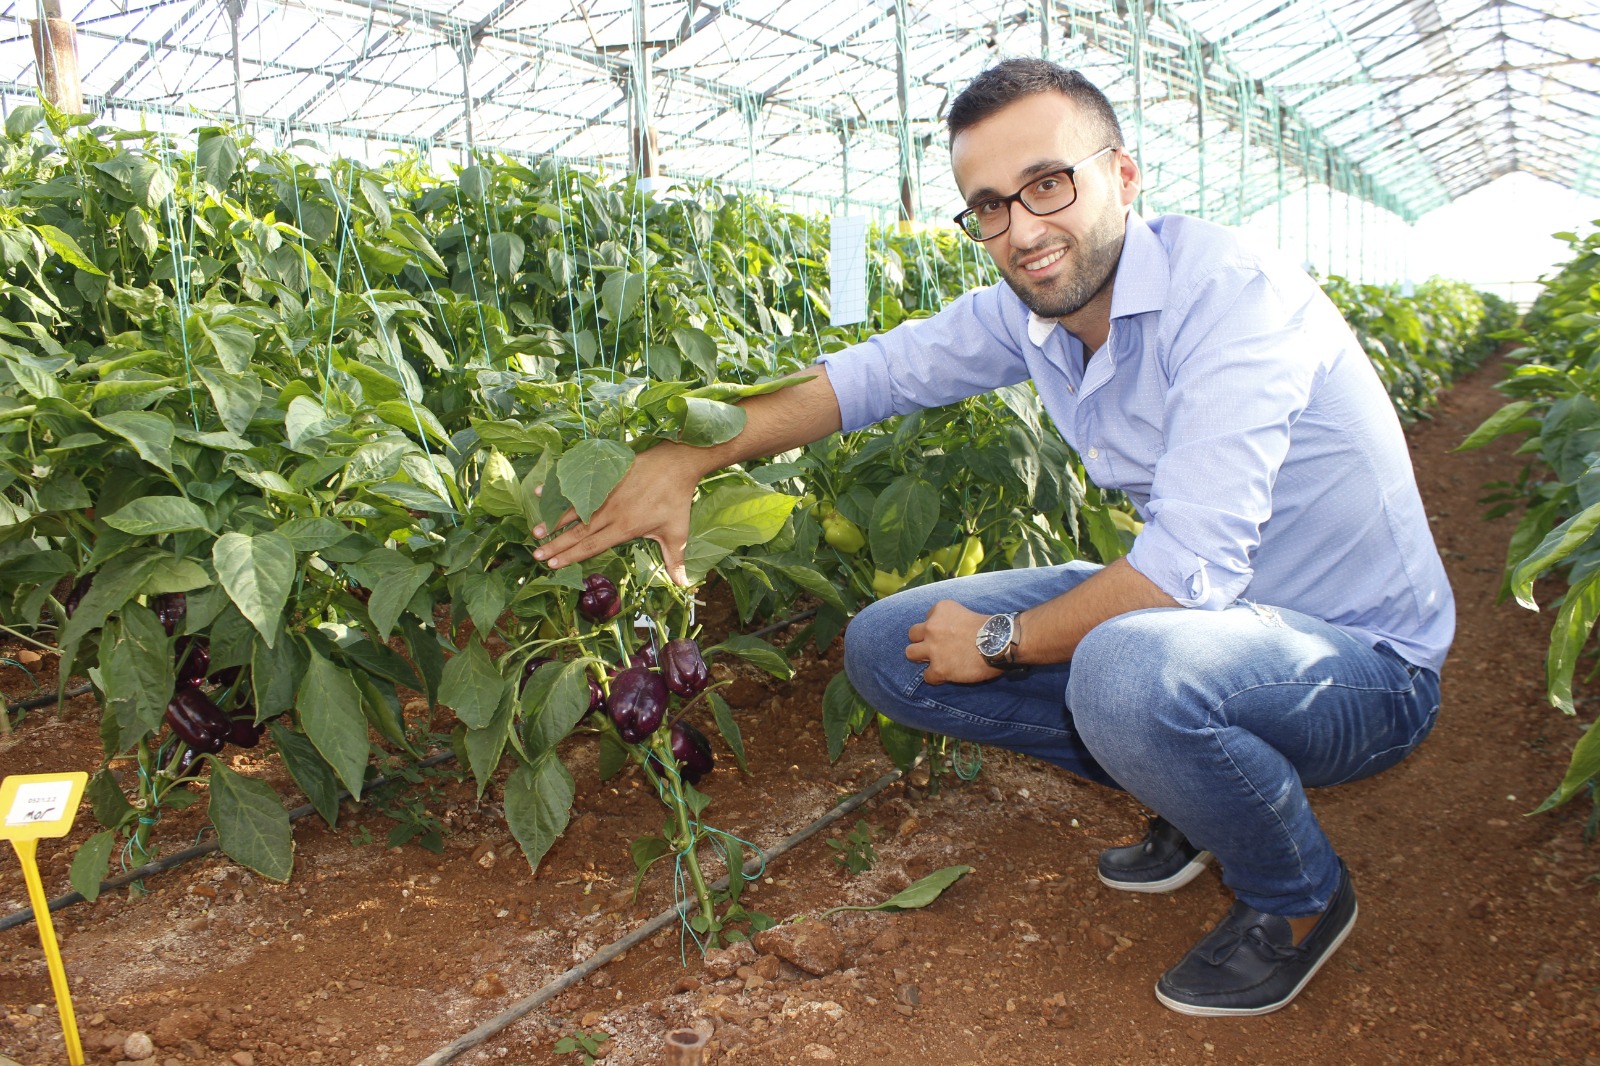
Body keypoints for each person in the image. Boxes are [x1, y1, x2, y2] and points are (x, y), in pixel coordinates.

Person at [531, 58, 1449, 1017]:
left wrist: (1003, 642)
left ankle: (1297, 895)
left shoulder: (1232, 299)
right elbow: (873, 376)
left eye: (1048, 184)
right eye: (990, 207)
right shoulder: (1033, 311)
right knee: (893, 649)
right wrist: (688, 455)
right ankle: (1202, 791)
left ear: (1123, 177)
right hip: (1206, 627)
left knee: (1125, 672)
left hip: (1358, 663)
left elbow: (1181, 577)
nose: (1023, 229)